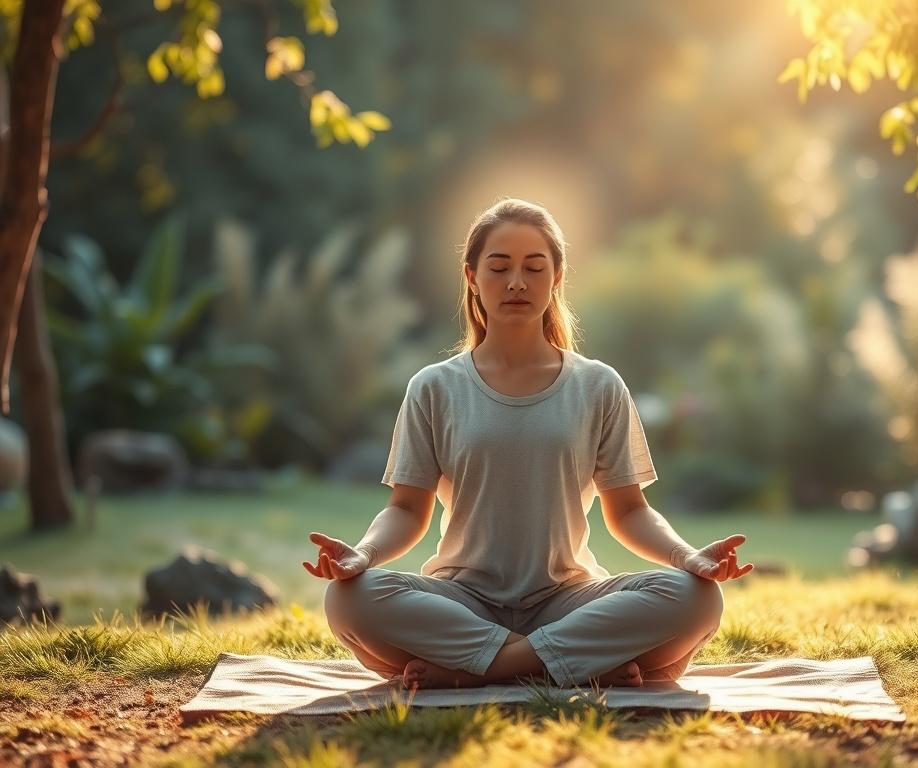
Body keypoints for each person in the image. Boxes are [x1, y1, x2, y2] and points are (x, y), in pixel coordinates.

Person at [303, 197, 753, 691]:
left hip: (569, 601)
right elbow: (408, 511)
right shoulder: (433, 388)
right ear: (472, 277)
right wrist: (362, 556)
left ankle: (480, 670)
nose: (517, 282)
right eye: (499, 267)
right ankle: (573, 665)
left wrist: (687, 558)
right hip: (463, 601)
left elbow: (628, 512)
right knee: (347, 599)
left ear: (556, 278)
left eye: (534, 268)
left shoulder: (598, 386)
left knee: (698, 598)